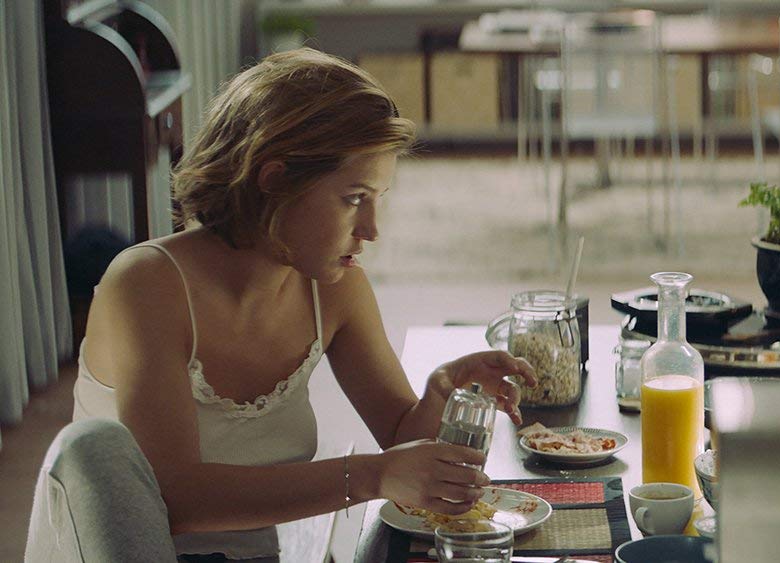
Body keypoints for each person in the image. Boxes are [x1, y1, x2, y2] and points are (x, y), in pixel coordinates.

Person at [64, 48, 538, 560]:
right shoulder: (147, 285)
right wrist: (371, 476)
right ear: (274, 181)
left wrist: (440, 394)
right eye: (353, 198)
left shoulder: (332, 288)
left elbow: (401, 437)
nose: (371, 229)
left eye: (377, 199)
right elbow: (174, 499)